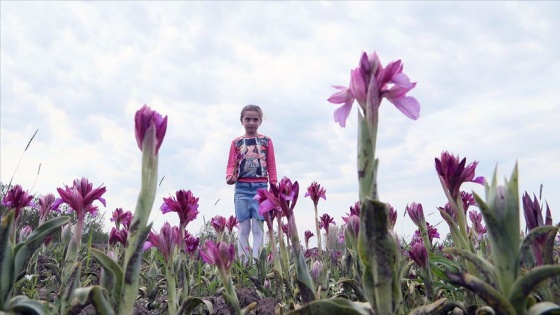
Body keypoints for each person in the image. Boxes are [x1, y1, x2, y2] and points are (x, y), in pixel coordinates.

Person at [225, 104, 277, 263]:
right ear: (241, 120)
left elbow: (271, 165)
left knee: (258, 228)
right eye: (248, 119)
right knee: (243, 228)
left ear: (260, 121)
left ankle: (256, 263)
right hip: (241, 189)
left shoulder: (266, 142)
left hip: (261, 189)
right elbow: (231, 165)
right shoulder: (236, 143)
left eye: (255, 119)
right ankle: (243, 263)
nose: (251, 123)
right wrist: (229, 177)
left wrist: (274, 186)